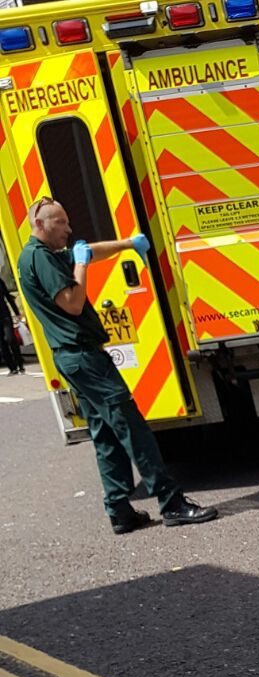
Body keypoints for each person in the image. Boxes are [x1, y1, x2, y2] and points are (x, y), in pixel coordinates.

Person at [17, 196, 218, 535]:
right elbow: (73, 302)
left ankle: (119, 509)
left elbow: (89, 251)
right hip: (83, 357)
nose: (69, 229)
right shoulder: (41, 259)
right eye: (61, 223)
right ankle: (172, 504)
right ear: (40, 225)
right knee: (132, 427)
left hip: (76, 359)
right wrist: (79, 266)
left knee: (105, 433)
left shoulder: (41, 255)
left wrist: (127, 245)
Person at [0, 275, 23, 375]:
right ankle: (12, 367)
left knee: (10, 339)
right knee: (2, 344)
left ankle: (20, 364)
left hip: (4, 315)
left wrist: (16, 312)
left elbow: (8, 297)